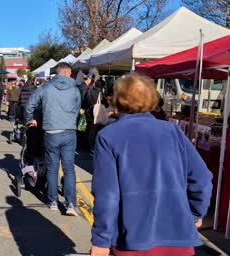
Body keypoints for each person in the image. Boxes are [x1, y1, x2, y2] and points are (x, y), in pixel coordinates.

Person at [90, 73, 212, 256]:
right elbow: (201, 178)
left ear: (116, 100)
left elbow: (107, 195)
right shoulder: (172, 131)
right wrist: (195, 212)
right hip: (177, 236)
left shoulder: (109, 136)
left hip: (131, 239)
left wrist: (101, 239)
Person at [25, 62, 82, 216]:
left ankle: (53, 201)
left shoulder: (45, 88)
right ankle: (70, 203)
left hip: (51, 131)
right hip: (69, 131)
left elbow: (29, 105)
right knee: (69, 168)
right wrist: (70, 119)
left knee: (52, 168)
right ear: (67, 73)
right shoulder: (74, 89)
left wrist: (31, 120)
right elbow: (77, 109)